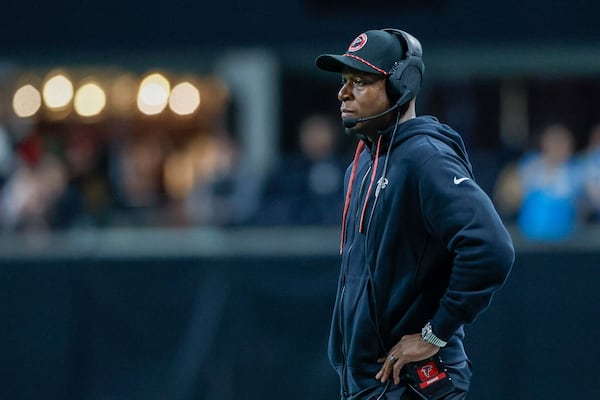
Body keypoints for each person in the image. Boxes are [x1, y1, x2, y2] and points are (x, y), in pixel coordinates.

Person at [315, 29, 514, 400]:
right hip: (372, 383)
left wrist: (434, 333)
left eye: (360, 81)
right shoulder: (360, 165)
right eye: (344, 82)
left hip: (414, 385)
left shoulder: (426, 157)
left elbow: (491, 248)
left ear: (402, 85)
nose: (343, 93)